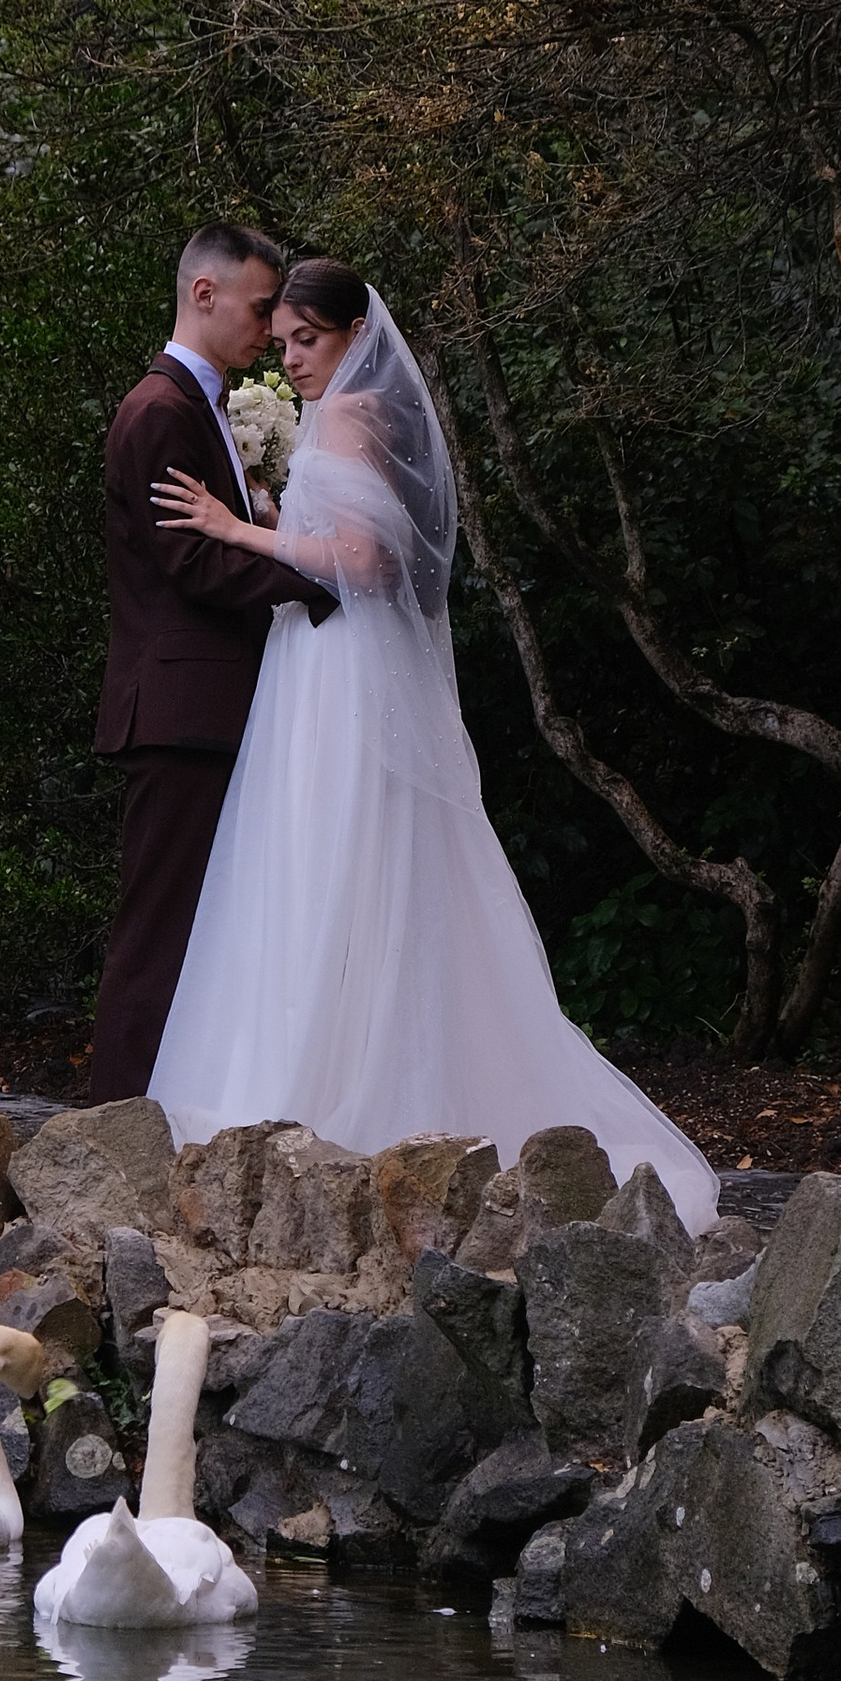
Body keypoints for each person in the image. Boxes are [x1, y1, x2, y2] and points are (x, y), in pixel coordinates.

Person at [145, 256, 720, 1224]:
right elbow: (343, 538)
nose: (288, 361)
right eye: (281, 342)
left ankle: (336, 1087)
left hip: (342, 669)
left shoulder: (353, 416)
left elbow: (366, 563)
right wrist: (274, 510)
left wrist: (236, 533)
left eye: (305, 341)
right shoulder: (337, 414)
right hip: (315, 665)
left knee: (342, 854)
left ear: (355, 335)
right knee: (309, 857)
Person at [87, 222, 342, 1101]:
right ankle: (112, 1123)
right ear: (206, 293)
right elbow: (190, 563)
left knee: (200, 932)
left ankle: (165, 1111)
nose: (270, 328)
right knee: (159, 930)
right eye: (262, 306)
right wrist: (314, 576)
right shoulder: (159, 411)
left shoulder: (199, 404)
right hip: (179, 710)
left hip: (204, 706)